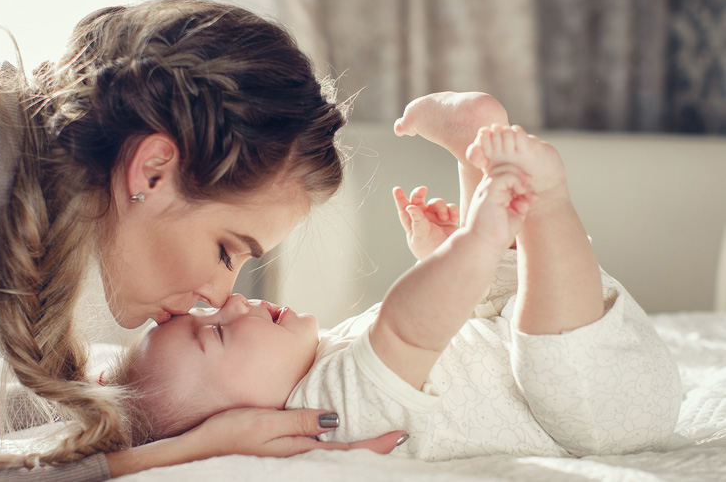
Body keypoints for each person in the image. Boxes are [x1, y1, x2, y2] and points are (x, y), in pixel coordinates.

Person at [0, 0, 405, 482]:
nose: (216, 293)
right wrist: (172, 454)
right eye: (225, 250)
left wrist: (129, 418)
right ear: (152, 171)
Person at [109, 96, 682, 459]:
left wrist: (450, 261)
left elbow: (438, 330)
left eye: (215, 315)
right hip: (603, 414)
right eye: (219, 333)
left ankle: (475, 155)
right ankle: (545, 200)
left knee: (504, 294)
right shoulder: (325, 413)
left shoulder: (324, 355)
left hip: (528, 348)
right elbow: (410, 331)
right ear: (243, 420)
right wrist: (471, 245)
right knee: (545, 338)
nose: (233, 302)